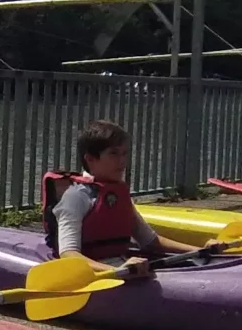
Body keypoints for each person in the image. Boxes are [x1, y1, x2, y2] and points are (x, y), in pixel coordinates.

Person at [42, 119, 212, 280]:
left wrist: (201, 249)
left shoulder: (118, 194)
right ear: (91, 159)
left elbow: (151, 242)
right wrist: (117, 271)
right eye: (113, 154)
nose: (122, 161)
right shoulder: (76, 197)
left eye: (124, 153)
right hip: (97, 273)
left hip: (121, 265)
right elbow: (69, 254)